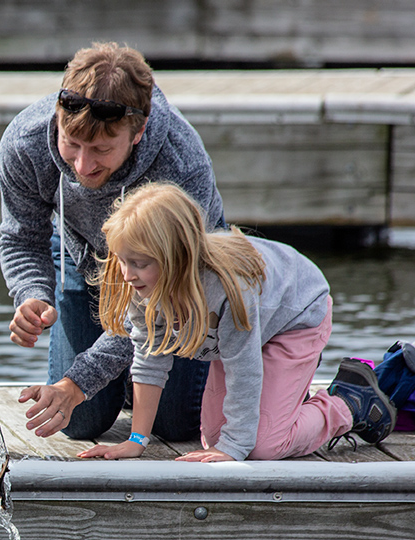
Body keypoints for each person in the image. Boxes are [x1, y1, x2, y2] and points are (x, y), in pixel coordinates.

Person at [0, 41, 224, 443]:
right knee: (79, 422)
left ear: (137, 133)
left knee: (175, 426)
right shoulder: (23, 144)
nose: (83, 166)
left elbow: (159, 302)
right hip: (81, 258)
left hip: (174, 277)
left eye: (101, 149)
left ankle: (133, 378)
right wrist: (32, 294)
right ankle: (121, 376)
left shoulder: (182, 163)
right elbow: (22, 236)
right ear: (57, 116)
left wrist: (79, 381)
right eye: (72, 144)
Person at [78, 182, 395, 463]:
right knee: (214, 441)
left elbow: (243, 368)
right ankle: (288, 403)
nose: (126, 274)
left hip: (296, 315)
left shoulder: (227, 291)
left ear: (179, 258)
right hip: (246, 332)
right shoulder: (142, 286)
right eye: (121, 259)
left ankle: (350, 403)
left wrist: (235, 446)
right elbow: (149, 359)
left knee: (263, 445)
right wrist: (137, 440)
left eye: (139, 263)